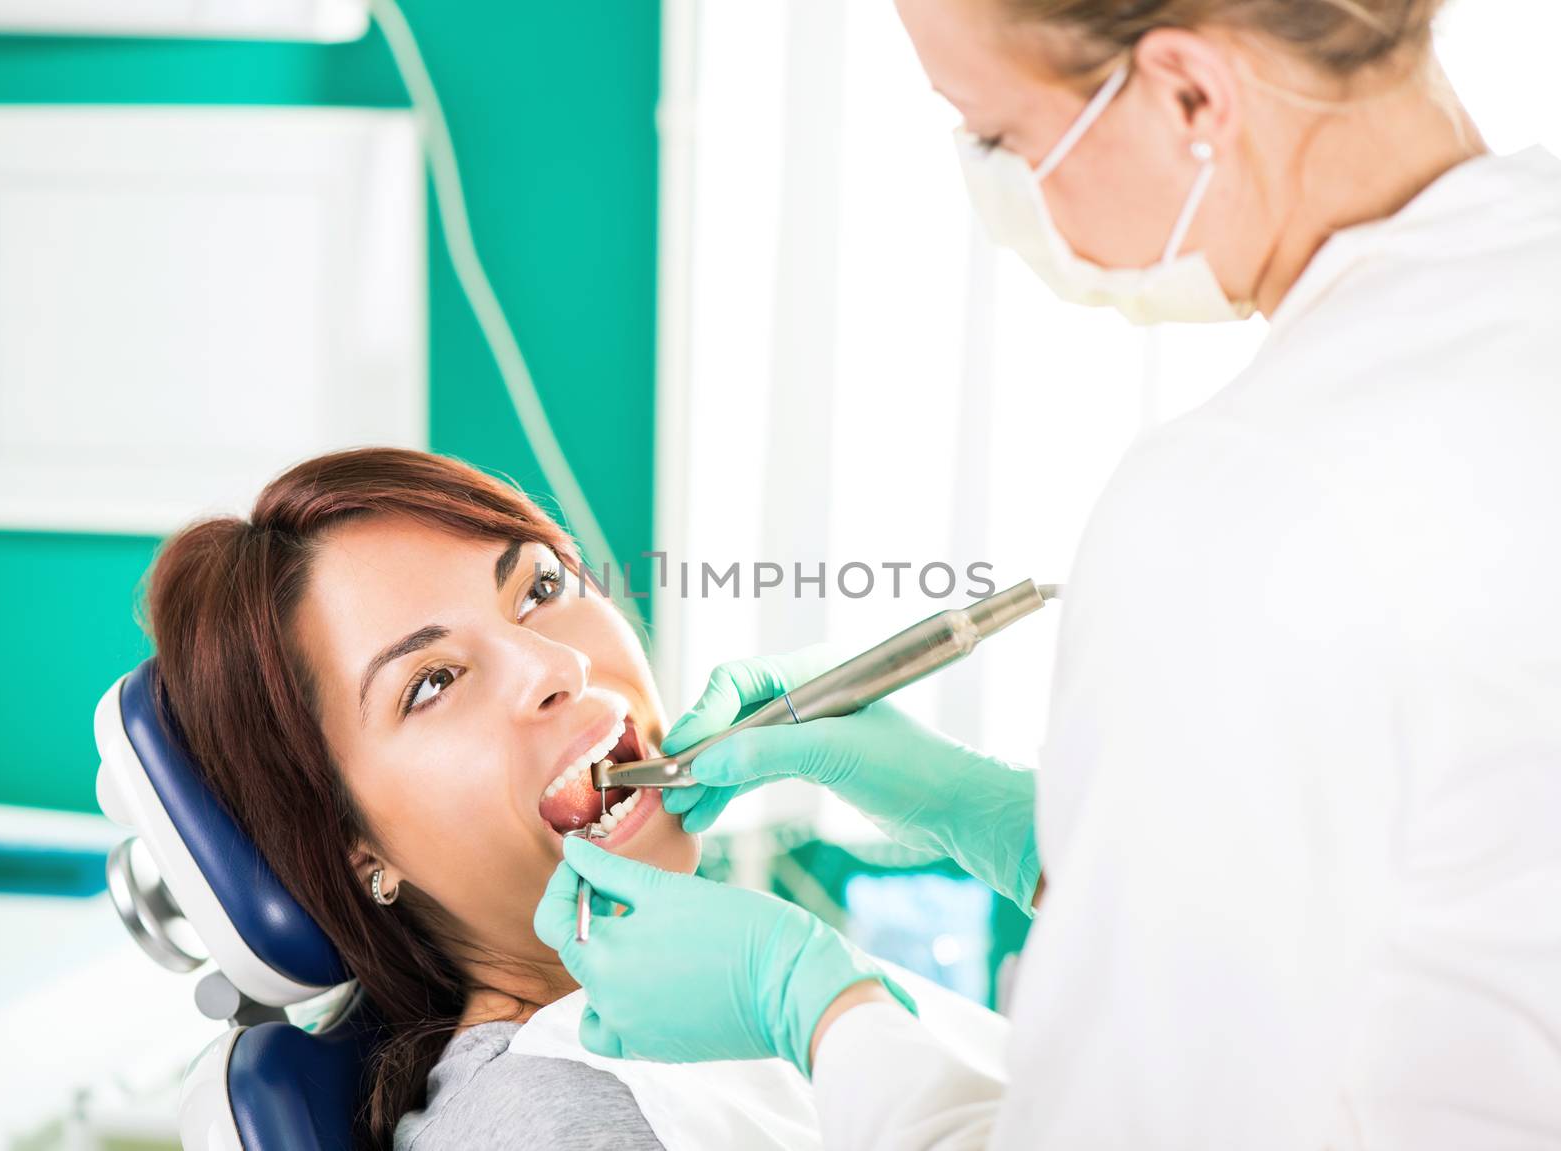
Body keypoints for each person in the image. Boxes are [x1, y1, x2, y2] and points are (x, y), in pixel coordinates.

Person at [535, 1, 1561, 1147]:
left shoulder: (1251, 494)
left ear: (1188, 93)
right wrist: (1035, 834)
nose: (999, 191)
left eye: (998, 136)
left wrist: (819, 1008)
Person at [144, 447, 917, 1150]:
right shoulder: (545, 1123)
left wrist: (1023, 848)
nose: (559, 664)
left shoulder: (732, 1001)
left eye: (539, 587)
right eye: (432, 682)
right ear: (357, 848)